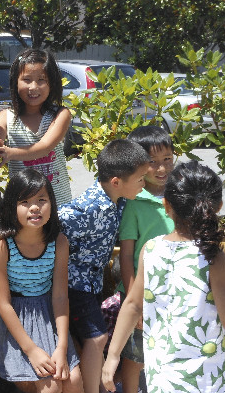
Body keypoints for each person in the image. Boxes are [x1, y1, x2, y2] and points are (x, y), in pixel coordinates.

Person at [102, 161, 225, 393]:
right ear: (218, 207)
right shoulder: (212, 256)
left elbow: (132, 304)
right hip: (204, 381)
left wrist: (113, 355)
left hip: (162, 379)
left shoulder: (150, 250)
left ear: (166, 205)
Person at [58, 139, 150, 393]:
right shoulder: (87, 208)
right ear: (116, 182)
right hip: (75, 285)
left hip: (94, 283)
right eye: (140, 179)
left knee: (93, 339)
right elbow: (59, 222)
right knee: (97, 338)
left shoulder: (120, 200)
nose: (144, 184)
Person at [0, 168, 83, 393]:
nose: (34, 207)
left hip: (49, 314)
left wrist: (61, 346)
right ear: (11, 206)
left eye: (42, 200)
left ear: (52, 203)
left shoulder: (58, 242)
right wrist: (31, 350)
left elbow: (60, 296)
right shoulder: (2, 245)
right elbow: (3, 304)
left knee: (74, 381)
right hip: (16, 321)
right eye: (25, 201)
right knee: (51, 388)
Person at [113, 125, 176, 392]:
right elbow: (126, 255)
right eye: (152, 162)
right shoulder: (134, 202)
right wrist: (133, 299)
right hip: (142, 293)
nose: (161, 168)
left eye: (167, 159)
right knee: (135, 356)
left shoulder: (180, 195)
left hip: (173, 291)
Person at [0, 49, 72, 205]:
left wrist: (10, 153)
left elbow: (44, 147)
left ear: (52, 83)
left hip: (58, 204)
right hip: (23, 206)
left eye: (41, 80)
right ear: (15, 82)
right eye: (27, 79)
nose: (33, 87)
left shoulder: (60, 114)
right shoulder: (5, 117)